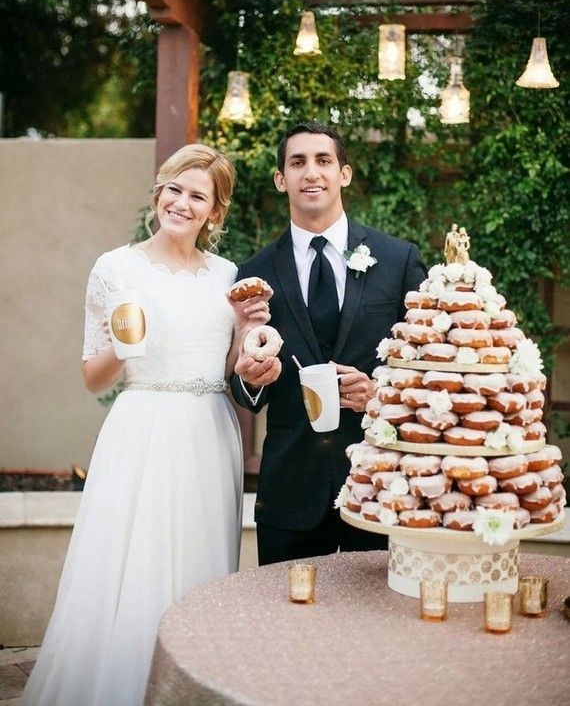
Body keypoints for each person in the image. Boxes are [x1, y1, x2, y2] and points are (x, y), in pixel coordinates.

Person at [23, 144, 269, 706]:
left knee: (201, 566)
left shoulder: (230, 277)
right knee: (130, 564)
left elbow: (235, 370)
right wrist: (126, 349)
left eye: (197, 195)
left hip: (210, 433)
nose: (181, 203)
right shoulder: (115, 268)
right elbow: (93, 377)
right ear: (159, 193)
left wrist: (250, 336)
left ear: (215, 211)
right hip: (141, 429)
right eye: (173, 189)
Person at [231, 121, 427, 565]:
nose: (311, 172)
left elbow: (426, 369)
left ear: (345, 173)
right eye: (297, 162)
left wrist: (380, 395)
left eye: (323, 160)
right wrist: (254, 379)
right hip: (290, 490)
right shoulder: (254, 271)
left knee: (378, 622)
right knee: (291, 625)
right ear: (282, 179)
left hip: (381, 487)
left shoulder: (398, 261)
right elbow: (242, 389)